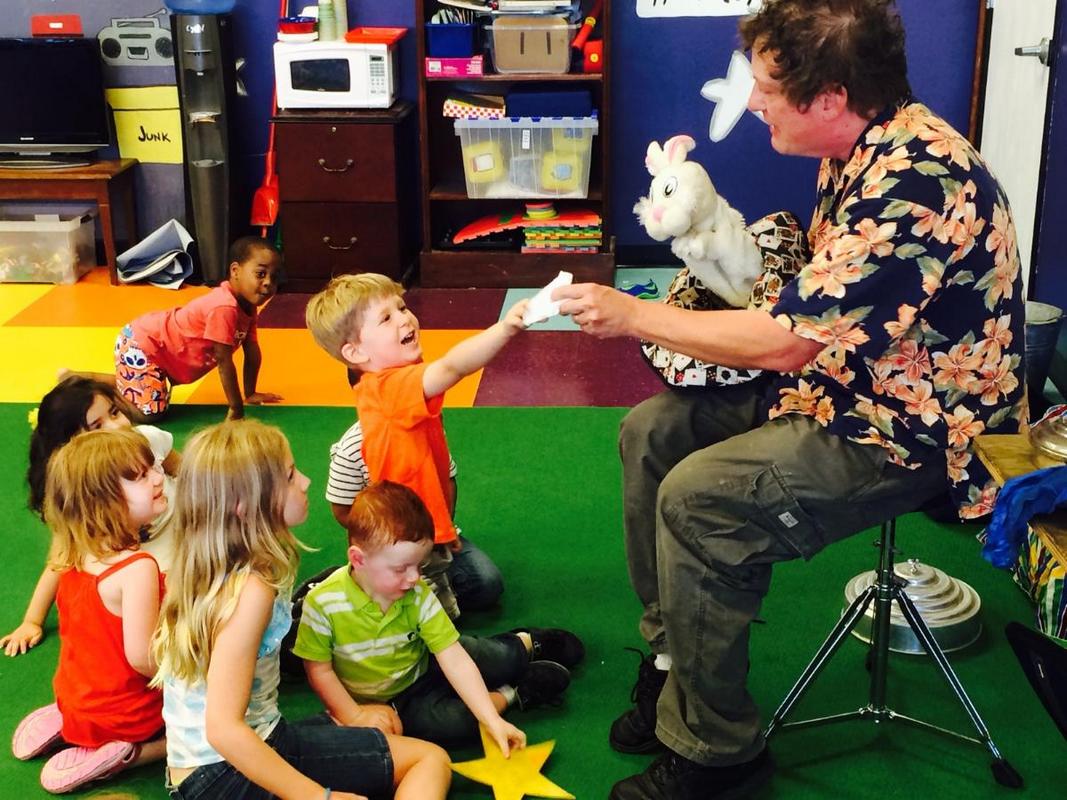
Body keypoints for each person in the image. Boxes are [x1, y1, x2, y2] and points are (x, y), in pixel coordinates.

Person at [552, 2, 1028, 798]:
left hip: (913, 430)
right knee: (651, 433)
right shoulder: (859, 147)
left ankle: (718, 757)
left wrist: (632, 313)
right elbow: (813, 304)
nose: (756, 100)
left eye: (769, 88)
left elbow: (785, 340)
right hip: (845, 385)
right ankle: (675, 670)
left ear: (830, 97)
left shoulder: (914, 180)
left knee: (701, 500)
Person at [153, 420, 452, 800]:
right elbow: (224, 729)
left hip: (206, 768)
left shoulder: (204, 566)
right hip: (226, 772)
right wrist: (317, 797)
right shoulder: (250, 590)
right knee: (429, 760)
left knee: (398, 745)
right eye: (291, 475)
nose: (306, 482)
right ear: (247, 505)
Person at [293, 480, 584, 749]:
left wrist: (489, 716)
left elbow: (453, 657)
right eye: (400, 569)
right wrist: (354, 715)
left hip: (427, 661)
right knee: (456, 726)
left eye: (418, 566)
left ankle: (525, 643)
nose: (413, 578)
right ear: (358, 559)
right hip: (396, 701)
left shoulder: (416, 593)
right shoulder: (322, 603)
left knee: (495, 658)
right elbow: (319, 670)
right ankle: (515, 692)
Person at [305, 274, 527, 619]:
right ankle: (356, 589)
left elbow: (444, 478)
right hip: (400, 541)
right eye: (386, 318)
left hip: (427, 534)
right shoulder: (389, 390)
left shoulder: (408, 395)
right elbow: (454, 366)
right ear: (355, 352)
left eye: (402, 307)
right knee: (434, 616)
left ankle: (381, 591)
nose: (405, 318)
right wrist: (505, 328)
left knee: (481, 585)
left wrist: (444, 529)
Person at [11, 429, 168, 794]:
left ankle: (73, 722)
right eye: (141, 476)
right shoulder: (137, 568)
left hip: (75, 697)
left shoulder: (73, 549)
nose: (159, 478)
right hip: (128, 717)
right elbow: (144, 659)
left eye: (152, 468)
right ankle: (131, 753)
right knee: (208, 717)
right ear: (104, 502)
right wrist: (190, 670)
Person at [1, 376, 180, 657]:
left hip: (181, 523)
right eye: (97, 426)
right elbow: (61, 559)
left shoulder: (147, 438)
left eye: (114, 412)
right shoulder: (86, 494)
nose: (117, 425)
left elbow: (183, 471)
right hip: (149, 557)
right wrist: (32, 621)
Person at [64, 236, 283, 422]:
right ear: (235, 271)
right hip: (143, 345)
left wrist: (251, 392)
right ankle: (92, 388)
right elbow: (224, 362)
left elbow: (252, 351)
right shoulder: (224, 308)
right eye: (261, 274)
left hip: (157, 353)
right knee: (149, 414)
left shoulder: (248, 307)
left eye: (274, 278)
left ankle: (83, 377)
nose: (268, 283)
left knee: (153, 401)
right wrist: (236, 408)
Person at [324, 416, 504, 616]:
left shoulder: (427, 428)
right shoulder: (351, 449)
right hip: (386, 550)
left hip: (434, 537)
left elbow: (448, 480)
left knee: (487, 584)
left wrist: (443, 529)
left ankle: (417, 601)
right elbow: (341, 509)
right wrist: (385, 541)